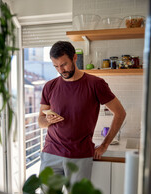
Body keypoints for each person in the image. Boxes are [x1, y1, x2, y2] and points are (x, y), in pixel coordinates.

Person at [38, 41, 126, 183]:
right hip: (51, 153)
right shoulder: (50, 86)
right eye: (56, 66)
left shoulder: (96, 84)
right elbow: (40, 121)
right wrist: (47, 120)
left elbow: (120, 113)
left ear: (74, 58)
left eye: (64, 64)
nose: (61, 70)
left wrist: (104, 145)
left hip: (79, 156)